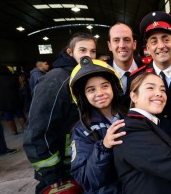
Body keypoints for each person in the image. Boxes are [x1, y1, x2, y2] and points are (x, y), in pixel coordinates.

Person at [23, 32, 97, 194]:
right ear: (70, 52)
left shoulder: (84, 76)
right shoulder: (56, 79)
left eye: (92, 51)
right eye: (83, 50)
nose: (89, 56)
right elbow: (37, 131)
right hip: (61, 173)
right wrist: (51, 173)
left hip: (79, 163)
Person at [69, 57, 128, 193]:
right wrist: (104, 147)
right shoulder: (81, 131)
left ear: (114, 87)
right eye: (91, 90)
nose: (100, 93)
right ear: (83, 96)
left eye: (104, 86)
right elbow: (86, 179)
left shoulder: (131, 116)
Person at [128, 11, 171, 138]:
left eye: (165, 39)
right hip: (153, 142)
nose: (161, 46)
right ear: (148, 48)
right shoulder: (137, 78)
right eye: (154, 41)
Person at [107, 22, 143, 94]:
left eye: (127, 40)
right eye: (116, 40)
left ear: (134, 44)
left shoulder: (147, 68)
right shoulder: (102, 72)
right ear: (110, 46)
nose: (122, 45)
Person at [0, 59, 27, 134]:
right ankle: (25, 128)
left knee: (8, 116)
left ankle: (14, 131)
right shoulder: (13, 77)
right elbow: (19, 86)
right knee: (20, 114)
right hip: (14, 98)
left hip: (2, 100)